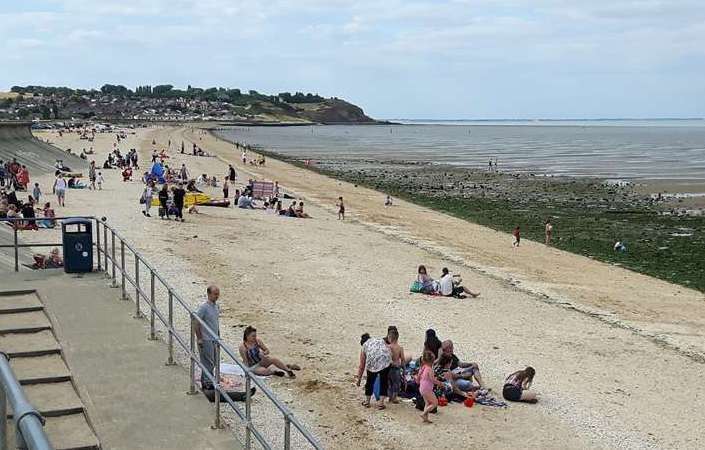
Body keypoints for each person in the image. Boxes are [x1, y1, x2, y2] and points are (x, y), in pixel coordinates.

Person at [194, 285, 221, 390]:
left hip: (214, 339)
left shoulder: (216, 307)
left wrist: (218, 336)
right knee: (208, 361)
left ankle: (206, 380)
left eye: (218, 294)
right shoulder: (203, 307)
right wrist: (199, 338)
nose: (217, 296)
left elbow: (215, 323)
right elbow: (196, 322)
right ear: (209, 294)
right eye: (215, 294)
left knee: (213, 361)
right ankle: (207, 382)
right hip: (206, 338)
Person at [356, 333, 392, 409]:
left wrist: (359, 379)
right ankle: (381, 403)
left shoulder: (364, 346)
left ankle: (367, 402)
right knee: (383, 382)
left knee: (370, 382)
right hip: (385, 360)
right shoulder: (378, 339)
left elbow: (362, 366)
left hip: (372, 363)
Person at [417, 350, 445, 423]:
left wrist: (417, 381)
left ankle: (425, 418)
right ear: (432, 361)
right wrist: (440, 383)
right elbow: (432, 380)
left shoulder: (423, 367)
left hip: (422, 388)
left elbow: (419, 375)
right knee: (435, 403)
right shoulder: (430, 369)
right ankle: (423, 414)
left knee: (427, 403)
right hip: (427, 389)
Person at [386, 327, 405, 404]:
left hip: (389, 368)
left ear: (390, 338)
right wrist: (404, 369)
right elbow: (403, 359)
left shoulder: (388, 347)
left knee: (389, 383)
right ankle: (394, 397)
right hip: (396, 368)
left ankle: (389, 397)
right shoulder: (400, 348)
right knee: (396, 383)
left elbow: (387, 358)